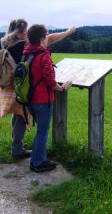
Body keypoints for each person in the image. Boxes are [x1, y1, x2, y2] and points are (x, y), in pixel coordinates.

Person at [1, 18, 75, 159]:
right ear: (22, 32)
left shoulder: (4, 43)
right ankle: (18, 149)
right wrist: (67, 32)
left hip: (8, 86)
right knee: (21, 117)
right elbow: (49, 39)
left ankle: (17, 146)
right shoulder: (24, 45)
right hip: (22, 86)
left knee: (18, 116)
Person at [24, 24, 73, 172]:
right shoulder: (43, 55)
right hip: (42, 99)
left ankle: (37, 159)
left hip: (30, 98)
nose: (47, 38)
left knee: (41, 131)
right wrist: (64, 87)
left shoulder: (26, 53)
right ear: (42, 38)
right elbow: (50, 82)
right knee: (43, 132)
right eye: (46, 36)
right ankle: (38, 163)